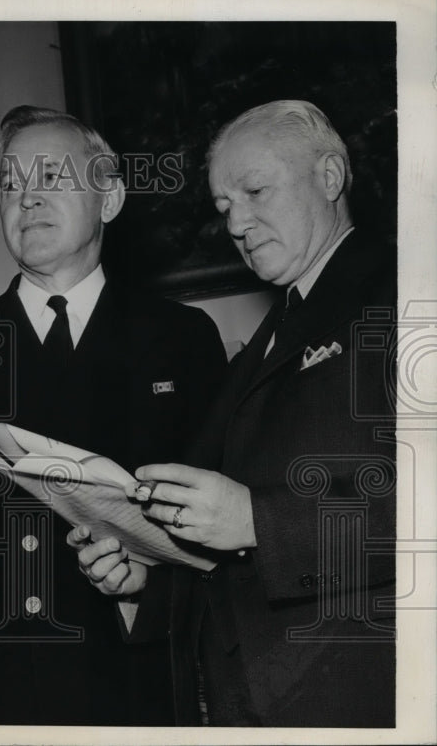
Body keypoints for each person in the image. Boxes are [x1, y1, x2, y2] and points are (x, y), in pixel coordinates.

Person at [0, 105, 227, 725]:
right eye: (11, 184)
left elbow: (219, 542)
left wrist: (148, 588)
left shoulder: (183, 338)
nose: (27, 199)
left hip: (136, 687)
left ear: (111, 198)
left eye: (52, 178)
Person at [69, 99, 396, 727]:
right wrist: (147, 573)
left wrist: (257, 519)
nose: (238, 223)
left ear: (330, 177)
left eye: (255, 191)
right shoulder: (273, 331)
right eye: (224, 208)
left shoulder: (406, 290)